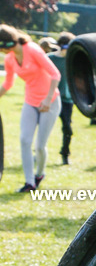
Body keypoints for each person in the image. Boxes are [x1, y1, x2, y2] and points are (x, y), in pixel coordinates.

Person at [0, 24, 61, 192]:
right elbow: (8, 83)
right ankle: (29, 182)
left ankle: (39, 174)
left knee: (40, 146)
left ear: (7, 43)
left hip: (50, 101)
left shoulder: (32, 50)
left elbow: (55, 74)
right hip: (30, 102)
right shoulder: (10, 59)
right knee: (24, 140)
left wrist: (48, 99)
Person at [50, 32, 75, 165]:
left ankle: (65, 154)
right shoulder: (49, 59)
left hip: (66, 100)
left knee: (67, 129)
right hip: (50, 99)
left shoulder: (73, 61)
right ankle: (38, 152)